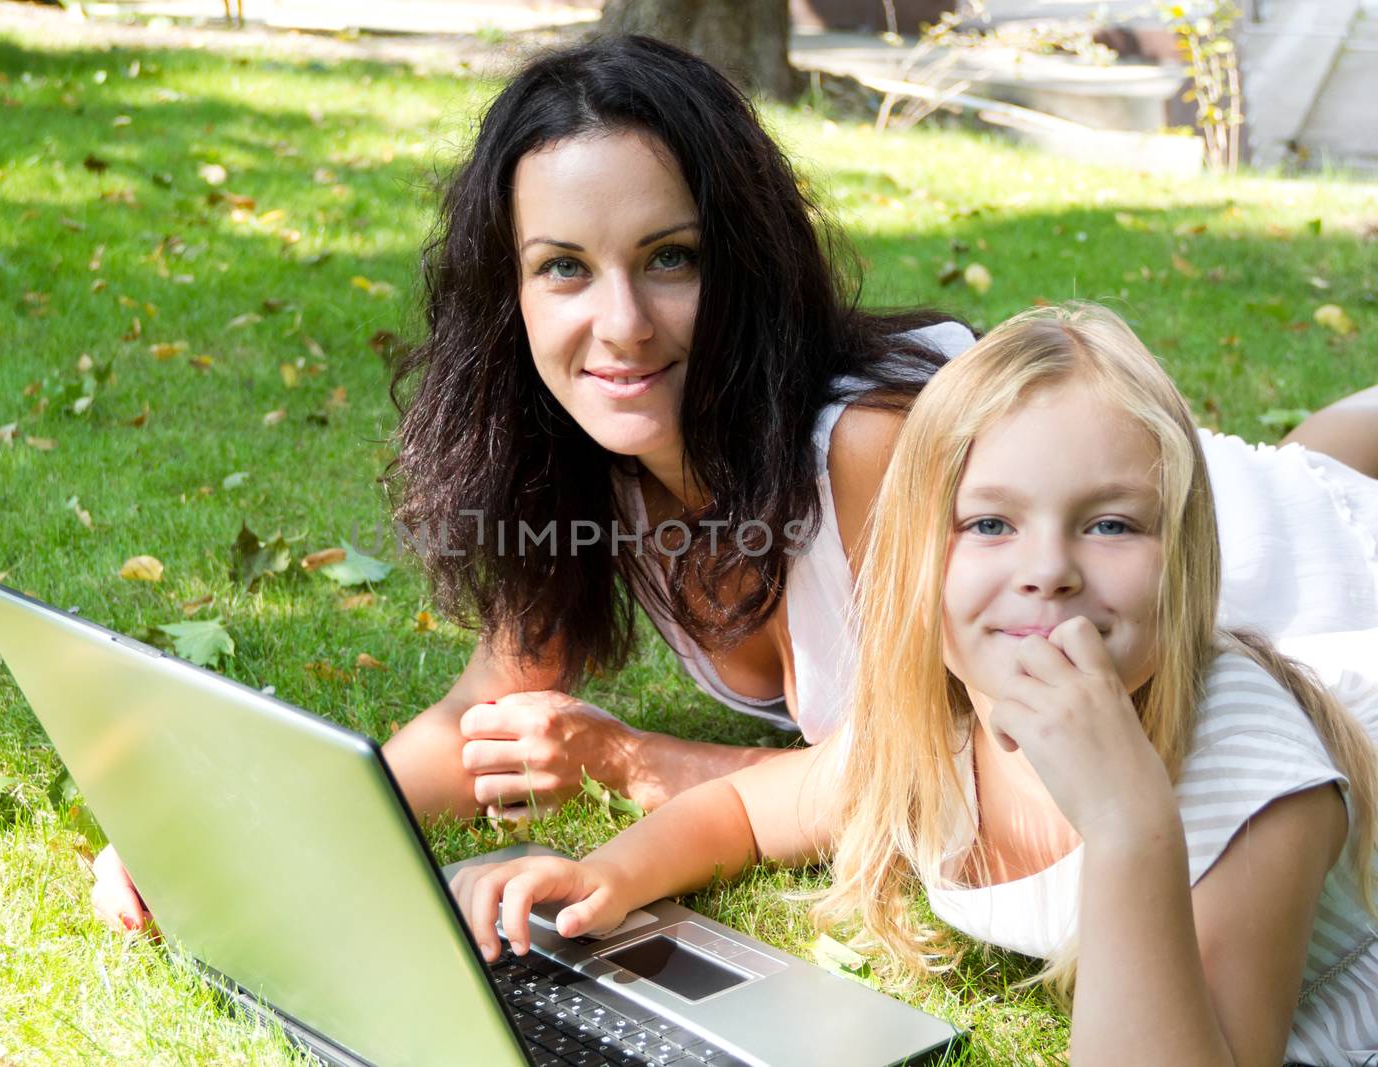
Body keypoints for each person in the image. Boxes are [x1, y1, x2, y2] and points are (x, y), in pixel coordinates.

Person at [90, 35, 1378, 932]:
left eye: (669, 258)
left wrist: (629, 759)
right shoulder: (586, 457)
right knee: (1320, 447)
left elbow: (931, 781)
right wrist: (231, 826)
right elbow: (487, 709)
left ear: (742, 261)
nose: (620, 326)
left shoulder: (867, 451)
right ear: (511, 289)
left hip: (1289, 584)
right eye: (562, 269)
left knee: (1322, 487)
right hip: (1226, 491)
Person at [450, 304, 1378, 1064]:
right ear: (915, 567)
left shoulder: (1255, 779)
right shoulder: (942, 729)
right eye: (989, 524)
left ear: (1188, 565)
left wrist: (1129, 820)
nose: (1047, 569)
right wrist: (609, 873)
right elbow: (749, 812)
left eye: (1110, 526)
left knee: (1333, 476)